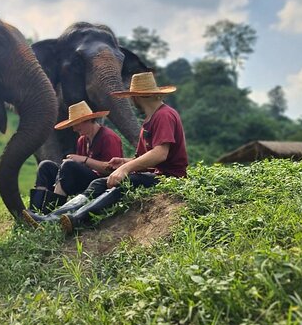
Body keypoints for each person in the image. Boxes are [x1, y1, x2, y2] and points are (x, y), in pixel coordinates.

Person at [23, 72, 188, 234]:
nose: (131, 101)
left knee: (122, 183)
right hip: (152, 174)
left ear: (138, 97)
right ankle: (52, 217)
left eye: (132, 97)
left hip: (168, 177)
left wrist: (126, 168)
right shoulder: (149, 120)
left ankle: (78, 219)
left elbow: (160, 154)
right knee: (98, 184)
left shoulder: (164, 116)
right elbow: (144, 158)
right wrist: (123, 162)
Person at [30, 101, 123, 214]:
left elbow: (112, 169)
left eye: (76, 124)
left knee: (68, 165)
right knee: (45, 166)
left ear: (88, 121)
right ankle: (35, 210)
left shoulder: (108, 137)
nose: (74, 129)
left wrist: (84, 160)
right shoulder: (82, 140)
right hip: (83, 181)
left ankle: (51, 213)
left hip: (101, 183)